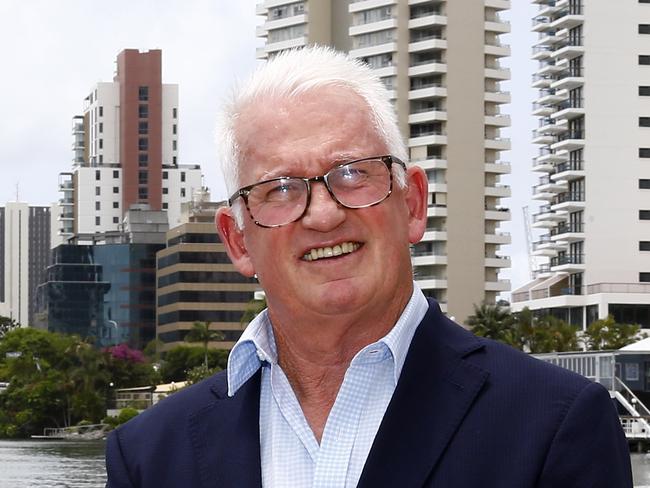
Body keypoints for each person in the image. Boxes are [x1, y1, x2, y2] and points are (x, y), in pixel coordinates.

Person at [105, 46, 632, 487]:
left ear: (413, 204)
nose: (325, 212)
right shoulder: (150, 458)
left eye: (354, 173)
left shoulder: (554, 426)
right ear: (237, 240)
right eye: (281, 188)